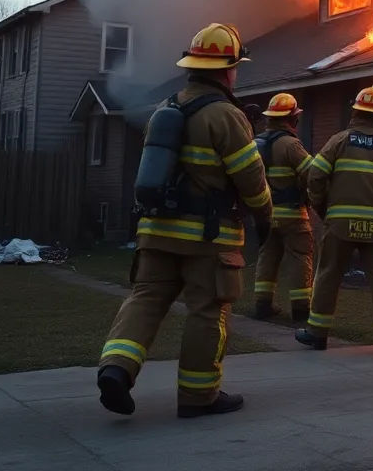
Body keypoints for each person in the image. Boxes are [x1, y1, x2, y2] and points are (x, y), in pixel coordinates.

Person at [96, 23, 273, 418]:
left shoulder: (166, 109)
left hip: (155, 232)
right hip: (207, 240)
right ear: (227, 70)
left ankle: (116, 369)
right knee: (207, 310)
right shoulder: (226, 115)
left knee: (146, 299)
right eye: (236, 67)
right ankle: (198, 396)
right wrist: (265, 215)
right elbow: (251, 180)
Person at [295, 85, 373, 354]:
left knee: (328, 274)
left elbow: (315, 176)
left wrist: (323, 209)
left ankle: (317, 333)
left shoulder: (339, 141)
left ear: (356, 112)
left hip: (340, 224)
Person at [252, 93, 315, 322]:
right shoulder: (291, 145)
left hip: (265, 215)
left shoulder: (256, 144)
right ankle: (300, 309)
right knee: (300, 257)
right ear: (291, 119)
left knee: (267, 256)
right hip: (292, 215)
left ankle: (262, 305)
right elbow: (313, 175)